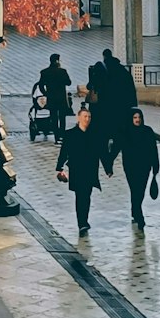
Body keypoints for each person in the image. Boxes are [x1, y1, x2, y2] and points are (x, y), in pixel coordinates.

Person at [56, 101, 113, 236]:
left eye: (89, 117)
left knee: (86, 196)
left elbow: (102, 152)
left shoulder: (95, 134)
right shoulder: (70, 135)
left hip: (90, 169)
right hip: (76, 169)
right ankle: (81, 222)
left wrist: (108, 168)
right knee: (80, 196)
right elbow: (64, 152)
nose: (87, 119)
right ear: (79, 118)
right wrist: (59, 167)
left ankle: (84, 220)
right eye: (85, 117)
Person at [110, 107, 160, 231]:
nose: (137, 120)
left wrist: (155, 167)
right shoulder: (124, 132)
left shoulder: (147, 131)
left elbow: (154, 150)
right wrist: (108, 163)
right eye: (135, 118)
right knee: (135, 189)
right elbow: (116, 149)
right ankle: (139, 214)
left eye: (139, 117)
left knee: (140, 190)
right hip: (130, 166)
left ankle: (135, 210)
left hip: (145, 166)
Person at [101, 49, 138, 150]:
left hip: (111, 103)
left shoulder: (106, 71)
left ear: (104, 57)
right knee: (121, 121)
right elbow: (130, 87)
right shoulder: (122, 70)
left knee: (111, 122)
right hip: (123, 102)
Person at [38, 53, 72, 143]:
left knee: (53, 117)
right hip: (61, 97)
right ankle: (62, 135)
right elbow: (69, 82)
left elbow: (41, 85)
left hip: (51, 97)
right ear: (57, 61)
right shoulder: (62, 71)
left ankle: (56, 136)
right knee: (62, 117)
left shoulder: (45, 72)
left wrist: (46, 93)